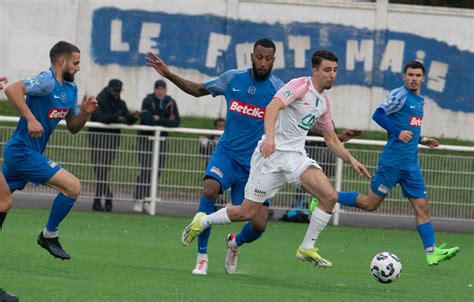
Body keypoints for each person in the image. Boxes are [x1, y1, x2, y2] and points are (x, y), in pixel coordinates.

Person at [181, 50, 371, 269]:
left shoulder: (322, 103)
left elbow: (331, 139)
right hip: (270, 158)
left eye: (335, 70)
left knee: (328, 196)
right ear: (315, 70)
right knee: (246, 213)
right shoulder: (300, 85)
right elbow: (272, 107)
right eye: (327, 70)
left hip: (295, 158)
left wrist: (351, 159)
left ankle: (306, 247)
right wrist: (270, 138)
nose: (332, 75)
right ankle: (201, 222)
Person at [146, 38, 285, 275]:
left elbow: (301, 115)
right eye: (259, 57)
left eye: (268, 59)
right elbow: (198, 89)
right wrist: (168, 74)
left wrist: (331, 134)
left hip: (255, 164)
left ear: (273, 60)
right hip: (227, 154)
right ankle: (202, 258)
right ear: (251, 56)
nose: (262, 63)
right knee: (209, 189)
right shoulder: (233, 78)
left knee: (259, 224)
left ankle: (234, 244)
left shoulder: (279, 89)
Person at [322, 60, 460, 266]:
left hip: (411, 165)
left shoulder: (419, 100)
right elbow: (378, 114)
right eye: (410, 75)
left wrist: (421, 139)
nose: (414, 78)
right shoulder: (399, 95)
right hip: (392, 163)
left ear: (423, 79)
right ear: (404, 76)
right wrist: (397, 132)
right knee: (370, 204)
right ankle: (327, 196)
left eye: (417, 75)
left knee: (423, 207)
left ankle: (432, 252)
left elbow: (407, 128)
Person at [0, 41, 98, 260]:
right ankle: (49, 235)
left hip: (26, 155)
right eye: (76, 63)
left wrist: (85, 113)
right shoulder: (46, 81)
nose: (78, 67)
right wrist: (31, 118)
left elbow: (73, 126)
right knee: (72, 186)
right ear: (62, 61)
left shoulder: (71, 89)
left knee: (1, 203)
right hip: (21, 152)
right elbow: (12, 89)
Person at [88, 79, 140, 212]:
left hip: (111, 141)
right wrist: (116, 117)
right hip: (97, 139)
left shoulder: (120, 103)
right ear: (110, 89)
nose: (117, 93)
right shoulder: (99, 100)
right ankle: (105, 197)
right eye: (116, 91)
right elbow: (98, 117)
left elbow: (127, 120)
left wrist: (134, 117)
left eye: (119, 91)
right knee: (100, 170)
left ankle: (99, 199)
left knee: (103, 170)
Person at [133, 79, 180, 213]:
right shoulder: (148, 100)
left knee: (157, 170)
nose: (160, 92)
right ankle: (139, 198)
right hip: (146, 139)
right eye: (158, 89)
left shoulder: (171, 102)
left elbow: (176, 123)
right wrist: (164, 122)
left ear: (166, 90)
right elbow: (148, 121)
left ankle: (149, 199)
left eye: (162, 89)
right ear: (155, 89)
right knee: (145, 168)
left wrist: (159, 120)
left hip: (162, 139)